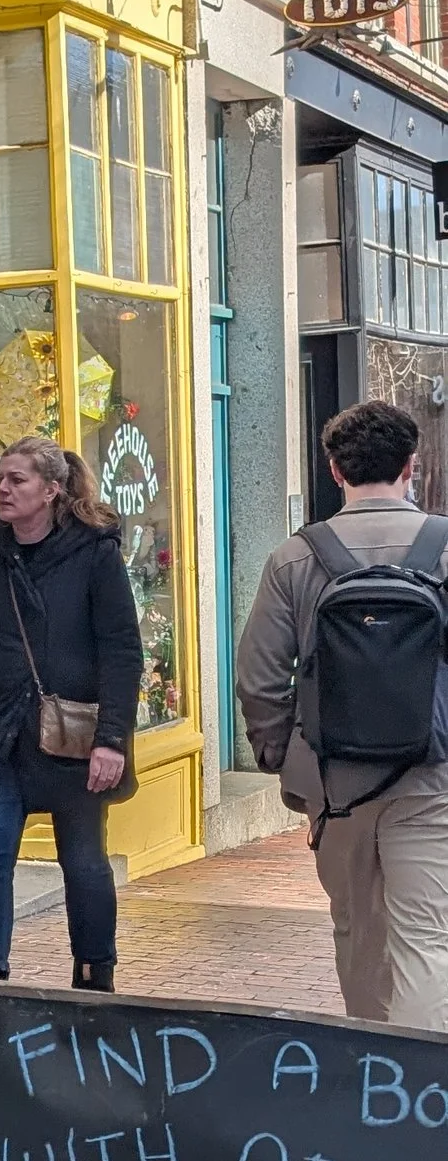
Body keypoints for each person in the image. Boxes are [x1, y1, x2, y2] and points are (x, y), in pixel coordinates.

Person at [236, 399, 448, 1027]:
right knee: (427, 938)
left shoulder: (296, 559)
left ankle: (369, 1080)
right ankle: (423, 1094)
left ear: (334, 470)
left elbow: (260, 676)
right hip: (433, 778)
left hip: (334, 784)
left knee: (358, 935)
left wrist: (283, 759)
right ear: (413, 465)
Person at [0, 436, 140, 1050]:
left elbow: (122, 652)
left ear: (52, 490)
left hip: (71, 737)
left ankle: (94, 986)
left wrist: (112, 740)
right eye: (1, 479)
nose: (4, 489)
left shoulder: (94, 554)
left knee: (84, 863)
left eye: (17, 480)